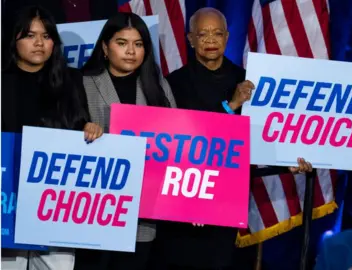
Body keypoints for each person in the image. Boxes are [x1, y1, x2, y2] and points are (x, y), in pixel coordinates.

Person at [162, 7, 313, 270]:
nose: (210, 40)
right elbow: (188, 140)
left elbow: (259, 143)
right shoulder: (174, 84)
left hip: (228, 197)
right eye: (203, 34)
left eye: (217, 33)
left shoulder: (248, 82)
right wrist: (231, 105)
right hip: (186, 195)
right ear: (190, 39)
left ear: (227, 37)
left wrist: (287, 162)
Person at [1, 5, 103, 270]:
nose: (38, 43)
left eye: (46, 36)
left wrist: (91, 129)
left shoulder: (70, 80)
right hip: (6, 199)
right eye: (30, 35)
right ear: (15, 39)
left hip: (54, 203)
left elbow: (80, 125)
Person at [74, 12, 175, 270]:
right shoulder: (81, 83)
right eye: (122, 43)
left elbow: (177, 145)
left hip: (141, 214)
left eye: (138, 44)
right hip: (93, 211)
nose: (131, 51)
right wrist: (82, 129)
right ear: (105, 48)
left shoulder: (159, 86)